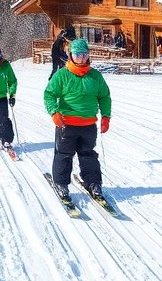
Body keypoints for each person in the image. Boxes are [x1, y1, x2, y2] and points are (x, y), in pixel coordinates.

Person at [43, 38, 111, 203]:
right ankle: (61, 184)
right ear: (70, 55)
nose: (81, 58)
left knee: (88, 155)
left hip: (88, 125)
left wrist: (106, 117)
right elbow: (49, 94)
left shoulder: (95, 76)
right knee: (64, 155)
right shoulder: (62, 75)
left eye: (84, 54)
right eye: (77, 54)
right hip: (67, 124)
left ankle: (93, 183)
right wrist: (54, 113)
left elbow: (104, 97)